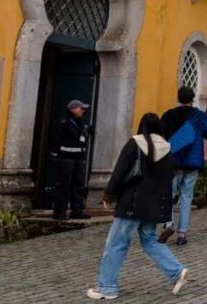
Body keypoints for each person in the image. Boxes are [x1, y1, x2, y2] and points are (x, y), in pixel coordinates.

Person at [86, 112, 188, 300]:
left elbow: (120, 170)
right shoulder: (167, 148)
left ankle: (107, 287)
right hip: (152, 207)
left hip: (131, 203)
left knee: (116, 244)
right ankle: (176, 271)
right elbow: (170, 178)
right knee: (149, 240)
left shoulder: (135, 143)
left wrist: (109, 194)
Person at [158, 86, 207, 246]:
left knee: (168, 195)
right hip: (192, 163)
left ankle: (168, 224)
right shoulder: (200, 116)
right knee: (186, 198)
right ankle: (182, 234)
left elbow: (159, 133)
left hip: (173, 161)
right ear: (192, 99)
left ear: (178, 98)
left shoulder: (169, 115)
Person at [52, 98, 90, 221]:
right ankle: (60, 211)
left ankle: (77, 210)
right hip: (66, 158)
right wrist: (56, 156)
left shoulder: (78, 122)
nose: (83, 111)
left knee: (78, 185)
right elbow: (58, 140)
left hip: (78, 158)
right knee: (64, 186)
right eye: (81, 108)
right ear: (73, 109)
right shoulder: (65, 123)